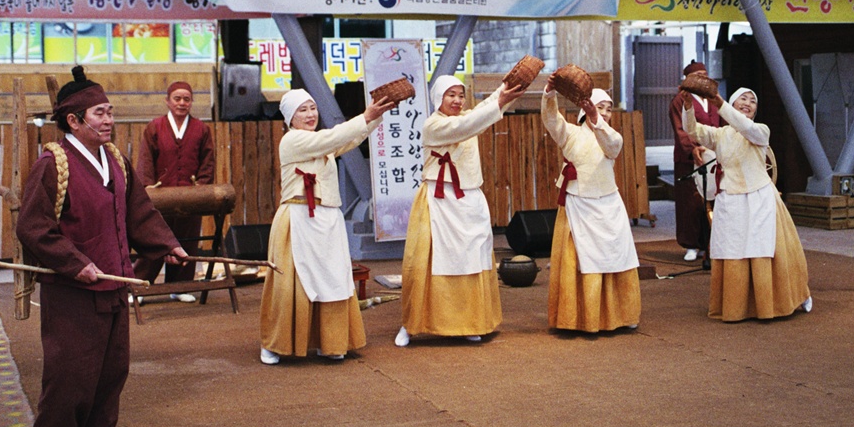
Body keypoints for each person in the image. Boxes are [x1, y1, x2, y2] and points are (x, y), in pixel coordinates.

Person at [17, 66, 186, 427]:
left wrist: (168, 245)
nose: (109, 120)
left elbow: (138, 211)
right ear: (74, 121)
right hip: (72, 286)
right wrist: (76, 264)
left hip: (112, 280)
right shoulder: (52, 164)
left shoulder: (116, 159)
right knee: (70, 365)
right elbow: (33, 227)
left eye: (110, 112)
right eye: (100, 114)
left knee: (113, 364)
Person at [259, 89, 394, 364]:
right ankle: (274, 343)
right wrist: (365, 115)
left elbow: (348, 139)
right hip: (298, 218)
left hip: (326, 219)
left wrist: (375, 117)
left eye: (312, 108)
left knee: (333, 281)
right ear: (290, 118)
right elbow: (333, 137)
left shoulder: (319, 144)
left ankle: (330, 342)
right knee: (291, 285)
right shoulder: (293, 140)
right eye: (302, 110)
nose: (310, 115)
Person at [395, 75, 526, 346]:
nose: (457, 100)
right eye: (450, 95)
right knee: (428, 262)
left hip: (469, 199)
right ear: (438, 99)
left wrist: (504, 90)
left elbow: (477, 115)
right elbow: (469, 124)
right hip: (438, 199)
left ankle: (470, 321)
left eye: (460, 95)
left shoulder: (468, 117)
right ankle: (412, 324)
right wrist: (500, 100)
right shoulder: (433, 125)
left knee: (471, 259)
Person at [681, 87, 811, 322]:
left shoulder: (761, 130)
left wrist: (720, 103)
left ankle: (780, 301)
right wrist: (689, 106)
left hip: (760, 198)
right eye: (743, 99)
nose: (748, 103)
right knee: (734, 253)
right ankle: (738, 307)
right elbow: (692, 131)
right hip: (730, 199)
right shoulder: (720, 134)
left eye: (753, 101)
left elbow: (745, 127)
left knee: (767, 252)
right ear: (733, 103)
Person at [541, 84, 641, 333]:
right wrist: (550, 93)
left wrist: (598, 121)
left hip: (609, 204)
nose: (605, 113)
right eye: (600, 107)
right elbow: (551, 118)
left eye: (608, 109)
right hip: (578, 204)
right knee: (579, 260)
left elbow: (613, 147)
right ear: (585, 109)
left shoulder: (611, 137)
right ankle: (578, 318)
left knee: (617, 256)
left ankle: (622, 313)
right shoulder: (570, 133)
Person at [134, 80, 215, 302]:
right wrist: (148, 187)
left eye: (186, 99)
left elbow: (207, 161)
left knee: (186, 241)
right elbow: (146, 159)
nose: (182, 103)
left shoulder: (201, 129)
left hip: (191, 196)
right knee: (154, 239)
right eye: (177, 99)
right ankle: (140, 287)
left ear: (191, 102)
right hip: (161, 196)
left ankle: (179, 287)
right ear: (168, 101)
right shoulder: (154, 127)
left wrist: (201, 186)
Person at [668, 61, 721, 264]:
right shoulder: (680, 100)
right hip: (689, 156)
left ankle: (709, 244)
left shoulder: (712, 98)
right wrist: (692, 148)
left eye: (705, 74)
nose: (703, 78)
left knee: (710, 199)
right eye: (698, 74)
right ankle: (691, 244)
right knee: (689, 201)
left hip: (712, 155)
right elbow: (680, 128)